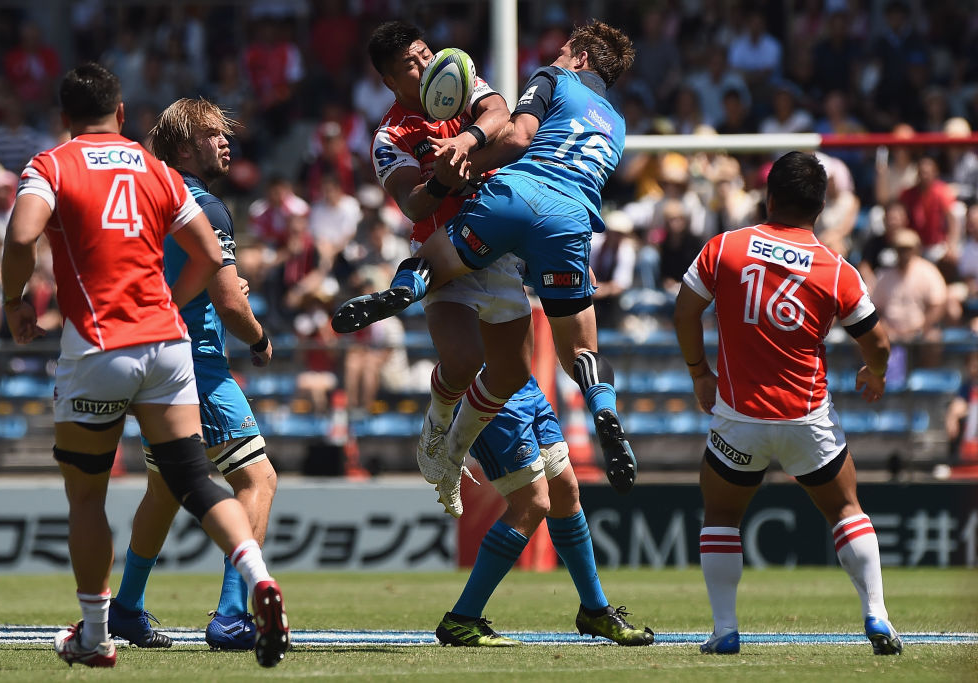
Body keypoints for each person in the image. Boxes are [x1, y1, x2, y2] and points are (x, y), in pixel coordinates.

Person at [0, 63, 288, 669]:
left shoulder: (52, 164)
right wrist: (205, 317)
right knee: (203, 481)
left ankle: (102, 628)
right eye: (214, 133)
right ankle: (250, 586)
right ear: (123, 114)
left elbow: (22, 236)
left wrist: (14, 302)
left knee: (90, 497)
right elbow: (216, 267)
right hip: (180, 356)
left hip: (100, 345)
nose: (226, 142)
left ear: (63, 118)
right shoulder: (159, 175)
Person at [332, 21, 639, 512]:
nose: (426, 64)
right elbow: (412, 203)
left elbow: (500, 113)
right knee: (464, 363)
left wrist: (467, 145)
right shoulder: (389, 136)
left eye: (425, 51)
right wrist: (442, 183)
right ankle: (438, 435)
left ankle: (450, 451)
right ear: (391, 82)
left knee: (514, 373)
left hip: (498, 245)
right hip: (451, 243)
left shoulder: (460, 77)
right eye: (411, 64)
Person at [672, 151, 902, 656]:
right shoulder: (836, 270)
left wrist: (699, 374)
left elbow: (685, 311)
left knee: (721, 516)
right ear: (820, 208)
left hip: (738, 418)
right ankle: (878, 616)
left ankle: (726, 629)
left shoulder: (726, 248)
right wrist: (876, 373)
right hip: (807, 419)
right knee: (845, 509)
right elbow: (878, 343)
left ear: (768, 197)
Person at [103, 97, 281, 653]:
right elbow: (229, 303)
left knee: (165, 485)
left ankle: (126, 608)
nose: (225, 141)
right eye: (211, 134)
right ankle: (231, 614)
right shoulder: (204, 207)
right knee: (257, 479)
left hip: (147, 361)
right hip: (197, 365)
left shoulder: (143, 202)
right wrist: (258, 336)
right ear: (183, 147)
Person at [436, 376, 652, 647]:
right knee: (532, 503)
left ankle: (595, 610)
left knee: (565, 492)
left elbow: (579, 347)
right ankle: (462, 618)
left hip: (528, 388)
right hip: (490, 393)